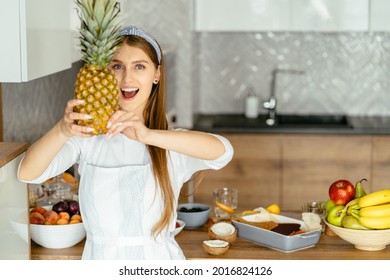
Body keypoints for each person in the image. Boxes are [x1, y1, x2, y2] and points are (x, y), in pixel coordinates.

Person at [17, 26, 234, 260]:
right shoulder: (87, 139)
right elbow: (28, 174)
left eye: (139, 66)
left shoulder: (168, 143)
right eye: (117, 66)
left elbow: (223, 152)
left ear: (156, 74)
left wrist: (147, 135)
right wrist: (61, 129)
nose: (127, 78)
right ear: (103, 73)